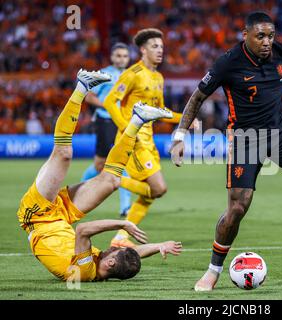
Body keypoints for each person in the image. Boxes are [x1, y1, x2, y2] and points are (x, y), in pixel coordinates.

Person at [170, 12, 282, 292]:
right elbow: (198, 96)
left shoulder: (281, 53)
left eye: (270, 35)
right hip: (245, 138)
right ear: (245, 35)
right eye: (260, 36)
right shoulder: (228, 62)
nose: (267, 41)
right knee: (237, 209)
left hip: (278, 132)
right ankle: (212, 271)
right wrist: (180, 135)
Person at [16, 69, 181, 282]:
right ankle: (138, 119)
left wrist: (123, 224)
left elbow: (83, 230)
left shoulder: (83, 272)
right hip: (62, 217)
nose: (113, 247)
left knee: (64, 154)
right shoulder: (105, 265)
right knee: (111, 181)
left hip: (37, 215)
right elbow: (132, 256)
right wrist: (159, 246)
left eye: (115, 249)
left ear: (110, 262)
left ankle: (82, 87)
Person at [104, 28, 198, 248]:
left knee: (149, 196)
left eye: (162, 47)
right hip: (134, 142)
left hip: (149, 141)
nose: (160, 51)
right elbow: (110, 101)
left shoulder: (158, 77)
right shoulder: (132, 73)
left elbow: (160, 110)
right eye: (155, 46)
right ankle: (113, 180)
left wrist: (184, 119)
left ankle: (120, 238)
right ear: (143, 50)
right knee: (159, 188)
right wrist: (128, 131)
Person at [81, 43, 132, 217]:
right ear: (112, 57)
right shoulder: (104, 74)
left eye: (125, 56)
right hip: (105, 121)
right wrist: (108, 106)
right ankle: (78, 191)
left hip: (123, 122)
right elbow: (89, 96)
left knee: (122, 161)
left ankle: (126, 206)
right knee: (99, 164)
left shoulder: (130, 74)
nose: (122, 59)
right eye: (118, 55)